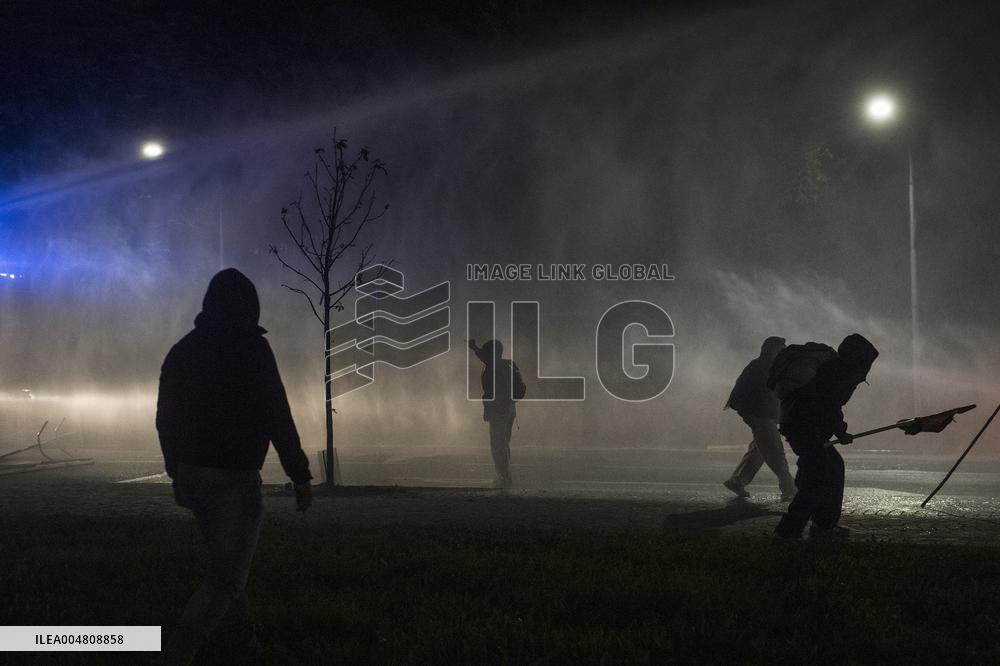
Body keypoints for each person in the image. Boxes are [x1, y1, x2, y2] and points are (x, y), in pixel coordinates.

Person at [156, 268, 313, 665]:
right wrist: (299, 474)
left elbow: (166, 417)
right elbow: (277, 412)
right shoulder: (252, 350)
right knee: (227, 578)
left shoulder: (183, 350)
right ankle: (179, 654)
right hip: (235, 478)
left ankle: (245, 648)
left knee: (225, 569)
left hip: (193, 475)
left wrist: (176, 471)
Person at [773, 333, 878, 540]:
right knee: (818, 477)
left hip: (800, 424)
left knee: (831, 467)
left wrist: (838, 429)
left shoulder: (834, 367)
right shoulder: (842, 370)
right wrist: (840, 431)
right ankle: (788, 532)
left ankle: (823, 524)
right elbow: (828, 404)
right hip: (806, 427)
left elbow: (827, 403)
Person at [722, 336, 796, 501]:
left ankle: (738, 480)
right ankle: (789, 487)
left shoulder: (764, 366)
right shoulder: (762, 368)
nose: (782, 353)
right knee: (775, 452)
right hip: (760, 416)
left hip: (760, 415)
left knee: (761, 450)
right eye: (780, 350)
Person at [468, 338, 524, 488]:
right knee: (504, 443)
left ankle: (504, 478)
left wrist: (487, 410)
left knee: (498, 445)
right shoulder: (509, 364)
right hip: (510, 408)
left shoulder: (492, 366)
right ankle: (505, 476)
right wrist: (474, 348)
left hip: (498, 410)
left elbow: (490, 393)